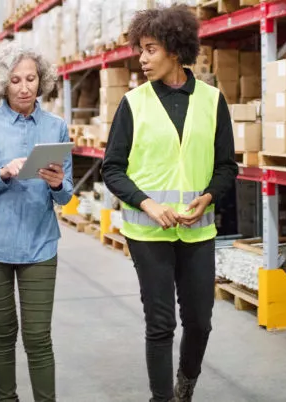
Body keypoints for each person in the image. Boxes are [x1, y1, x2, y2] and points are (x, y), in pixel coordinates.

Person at [101, 5, 238, 402]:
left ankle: (186, 385)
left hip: (198, 231)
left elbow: (227, 167)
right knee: (160, 324)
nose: (142, 59)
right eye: (140, 50)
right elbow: (113, 169)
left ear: (175, 49)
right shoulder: (134, 103)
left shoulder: (213, 101)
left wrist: (208, 196)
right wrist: (147, 204)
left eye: (150, 49)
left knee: (199, 322)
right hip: (149, 233)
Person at [0, 42, 73, 402]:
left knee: (38, 337)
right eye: (16, 80)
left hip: (38, 245)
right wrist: (1, 174)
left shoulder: (55, 127)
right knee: (3, 333)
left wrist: (57, 185)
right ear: (3, 84)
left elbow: (66, 194)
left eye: (32, 79)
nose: (25, 87)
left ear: (42, 82)